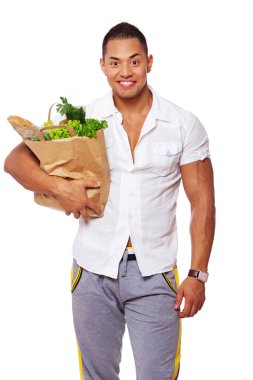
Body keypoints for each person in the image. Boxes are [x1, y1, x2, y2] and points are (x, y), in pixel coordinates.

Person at [4, 22, 215, 380]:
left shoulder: (182, 124)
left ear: (149, 62)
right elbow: (15, 161)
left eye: (134, 61)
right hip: (92, 272)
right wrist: (59, 188)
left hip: (155, 273)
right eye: (115, 63)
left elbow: (204, 204)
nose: (125, 72)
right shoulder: (83, 121)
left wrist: (198, 274)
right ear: (102, 66)